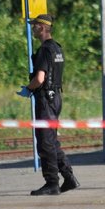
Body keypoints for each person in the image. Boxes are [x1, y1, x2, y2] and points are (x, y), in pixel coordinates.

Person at [17, 14, 81, 195]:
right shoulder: (57, 49)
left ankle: (52, 183)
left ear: (43, 27)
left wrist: (29, 88)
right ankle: (68, 178)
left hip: (45, 99)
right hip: (56, 98)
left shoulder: (45, 50)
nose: (32, 28)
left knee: (45, 143)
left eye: (35, 25)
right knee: (52, 140)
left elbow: (40, 78)